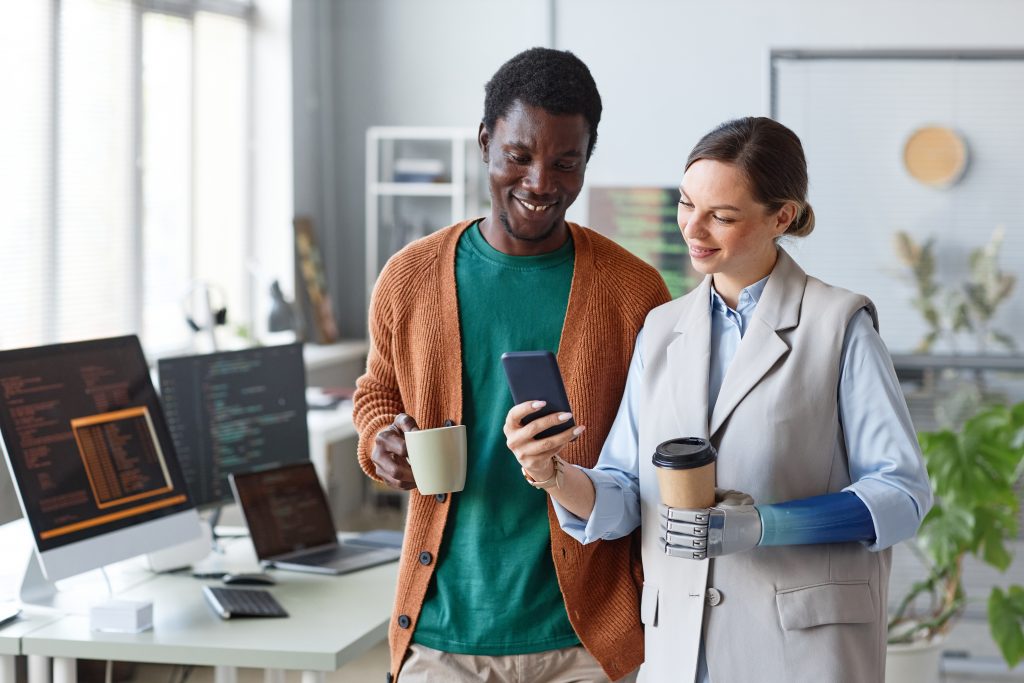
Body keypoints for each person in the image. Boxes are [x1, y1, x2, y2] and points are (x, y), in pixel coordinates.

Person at [504, 116, 933, 682]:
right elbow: (627, 494)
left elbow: (901, 494)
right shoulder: (661, 329)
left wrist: (762, 526)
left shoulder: (840, 325)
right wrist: (552, 473)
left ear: (782, 216)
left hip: (799, 649)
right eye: (686, 205)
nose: (694, 229)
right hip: (682, 648)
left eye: (722, 216)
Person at [352, 47, 671, 683]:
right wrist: (378, 439)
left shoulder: (634, 293)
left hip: (583, 641)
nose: (539, 183)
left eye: (565, 162)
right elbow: (377, 393)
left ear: (587, 160)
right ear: (484, 143)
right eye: (518, 157)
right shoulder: (409, 278)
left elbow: (655, 463)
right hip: (444, 635)